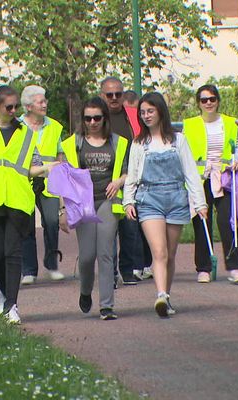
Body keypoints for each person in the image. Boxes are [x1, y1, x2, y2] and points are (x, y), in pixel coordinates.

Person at [0, 85, 55, 325]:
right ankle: (3, 294)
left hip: (18, 199)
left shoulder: (25, 133)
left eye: (16, 106)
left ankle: (12, 305)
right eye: (9, 107)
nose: (14, 111)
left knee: (12, 254)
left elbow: (29, 167)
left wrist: (47, 168)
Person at [123, 92, 207, 318]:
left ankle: (166, 296)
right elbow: (131, 176)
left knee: (169, 254)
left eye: (150, 111)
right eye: (142, 113)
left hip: (176, 199)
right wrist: (128, 201)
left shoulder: (178, 140)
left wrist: (200, 203)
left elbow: (191, 173)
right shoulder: (139, 143)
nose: (146, 116)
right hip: (149, 199)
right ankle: (160, 295)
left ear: (160, 111)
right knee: (158, 251)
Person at [59, 97, 129, 321]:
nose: (92, 122)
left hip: (108, 201)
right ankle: (85, 290)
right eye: (88, 118)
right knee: (88, 256)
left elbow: (129, 171)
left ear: (104, 119)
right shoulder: (73, 143)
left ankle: (107, 306)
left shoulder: (118, 142)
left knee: (106, 252)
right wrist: (62, 210)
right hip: (84, 203)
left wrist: (118, 182)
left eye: (97, 118)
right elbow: (64, 177)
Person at [183, 84, 238, 284]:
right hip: (200, 179)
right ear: (199, 103)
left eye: (212, 99)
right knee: (202, 222)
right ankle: (203, 268)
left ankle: (235, 267)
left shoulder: (229, 123)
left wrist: (236, 158)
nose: (209, 103)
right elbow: (184, 151)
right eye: (204, 100)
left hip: (224, 177)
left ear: (217, 100)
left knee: (227, 222)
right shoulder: (190, 125)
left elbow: (235, 146)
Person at [99, 77, 150, 285]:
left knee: (130, 228)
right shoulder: (96, 117)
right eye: (109, 95)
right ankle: (110, 274)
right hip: (103, 178)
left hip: (129, 175)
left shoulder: (132, 117)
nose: (113, 98)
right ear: (102, 95)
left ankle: (128, 270)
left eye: (118, 94)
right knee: (107, 231)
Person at [19, 85, 66, 285]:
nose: (45, 104)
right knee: (26, 225)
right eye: (41, 102)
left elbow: (60, 156)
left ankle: (52, 264)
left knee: (52, 222)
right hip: (25, 180)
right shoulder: (17, 125)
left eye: (45, 101)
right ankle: (29, 270)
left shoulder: (54, 126)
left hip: (49, 180)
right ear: (29, 106)